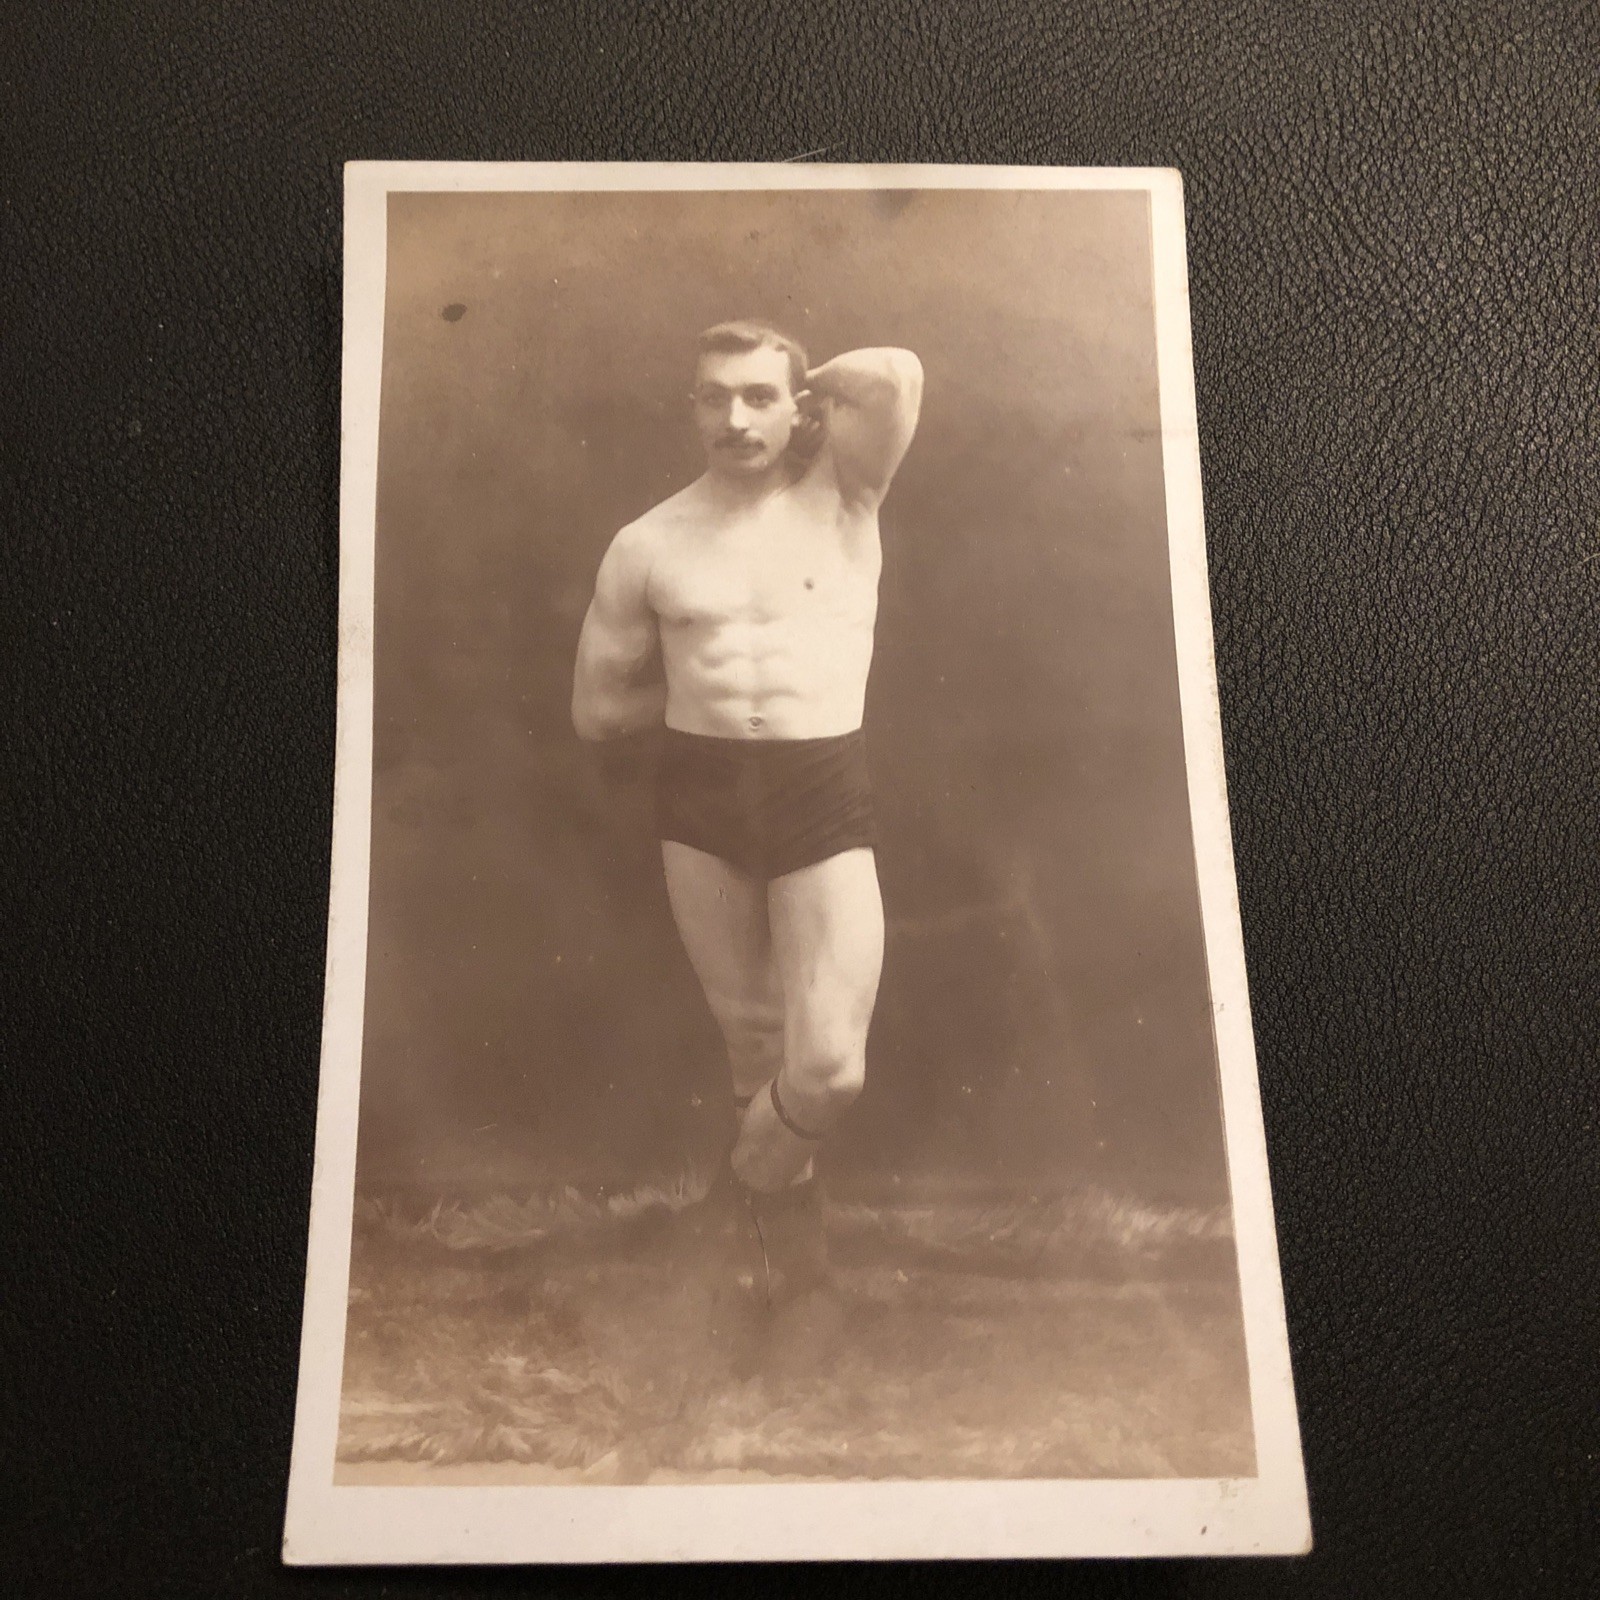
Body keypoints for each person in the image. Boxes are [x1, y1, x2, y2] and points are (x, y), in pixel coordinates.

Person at [571, 319, 923, 1314]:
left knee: (824, 1066)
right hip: (701, 794)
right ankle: (785, 1266)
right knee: (751, 1042)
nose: (734, 416)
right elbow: (597, 712)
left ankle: (735, 1197)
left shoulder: (847, 498)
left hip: (821, 789)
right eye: (713, 396)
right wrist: (691, 703)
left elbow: (895, 376)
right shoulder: (646, 544)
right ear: (689, 407)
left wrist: (810, 373)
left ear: (800, 405)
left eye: (759, 395)